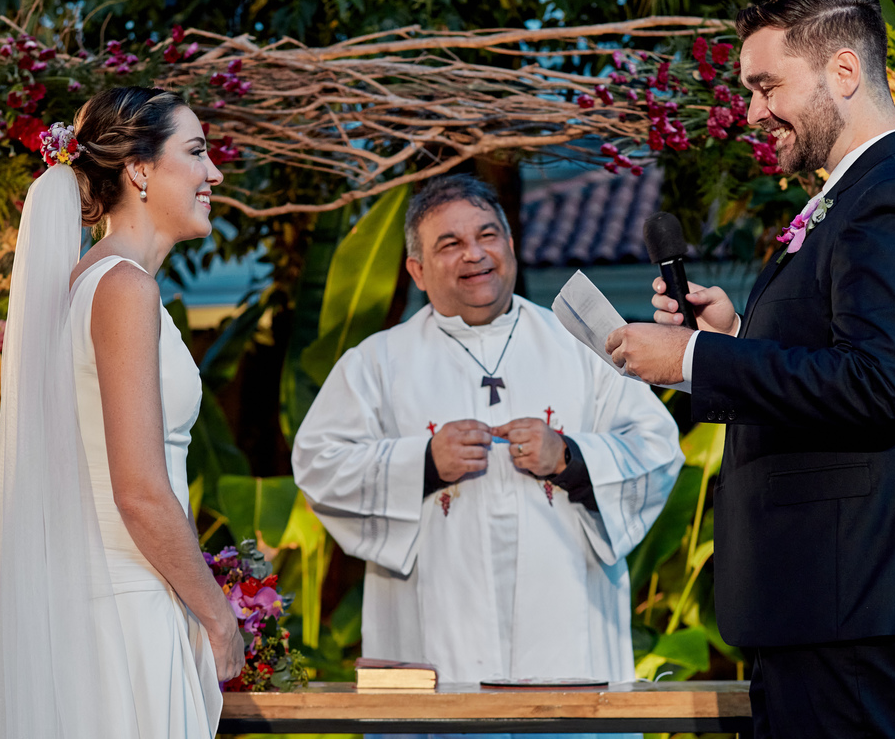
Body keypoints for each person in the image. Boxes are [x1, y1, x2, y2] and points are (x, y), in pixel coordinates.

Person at [605, 0, 895, 738]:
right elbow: (849, 355)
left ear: (843, 73)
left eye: (766, 85)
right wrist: (738, 334)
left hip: (860, 597)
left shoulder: (893, 199)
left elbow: (880, 385)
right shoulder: (856, 196)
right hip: (832, 598)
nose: (752, 111)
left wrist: (694, 359)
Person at [292, 175, 682, 716]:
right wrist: (423, 464)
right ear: (417, 271)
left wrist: (568, 457)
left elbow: (658, 449)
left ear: (511, 245)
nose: (474, 254)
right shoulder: (376, 363)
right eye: (449, 244)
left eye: (487, 235)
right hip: (431, 641)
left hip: (566, 631)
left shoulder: (583, 348)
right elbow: (317, 465)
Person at [0, 87, 244, 738]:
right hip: (129, 612)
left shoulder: (91, 281)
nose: (216, 173)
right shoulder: (124, 288)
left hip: (106, 599)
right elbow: (141, 492)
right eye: (198, 152)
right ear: (140, 170)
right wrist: (219, 616)